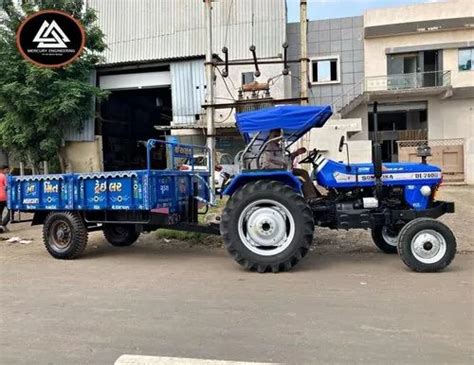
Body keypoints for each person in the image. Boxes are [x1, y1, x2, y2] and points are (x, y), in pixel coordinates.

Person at [260, 130, 318, 200]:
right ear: (271, 136)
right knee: (303, 174)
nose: (278, 138)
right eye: (275, 136)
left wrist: (296, 153)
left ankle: (312, 194)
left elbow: (285, 158)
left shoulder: (276, 146)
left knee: (303, 172)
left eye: (278, 136)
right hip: (276, 169)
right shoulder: (269, 145)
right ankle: (311, 196)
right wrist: (284, 164)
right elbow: (268, 161)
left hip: (282, 168)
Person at [0, 165, 10, 232]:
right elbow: (6, 187)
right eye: (7, 170)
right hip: (2, 197)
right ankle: (2, 225)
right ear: (3, 170)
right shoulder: (3, 176)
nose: (8, 171)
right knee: (9, 211)